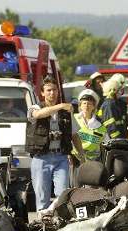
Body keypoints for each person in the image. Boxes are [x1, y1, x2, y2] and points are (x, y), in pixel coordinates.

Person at [26, 76, 85, 211]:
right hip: (41, 158)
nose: (52, 93)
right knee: (42, 198)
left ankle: (59, 223)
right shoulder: (34, 107)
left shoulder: (65, 112)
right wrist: (60, 106)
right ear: (42, 93)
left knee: (63, 195)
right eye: (48, 90)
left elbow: (74, 135)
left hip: (61, 158)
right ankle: (42, 227)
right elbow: (38, 115)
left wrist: (82, 156)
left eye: (54, 90)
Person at [72, 89, 107, 161]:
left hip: (94, 161)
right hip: (75, 159)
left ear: (94, 107)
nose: (86, 106)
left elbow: (106, 144)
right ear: (80, 106)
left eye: (89, 104)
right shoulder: (73, 118)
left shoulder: (100, 126)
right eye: (84, 103)